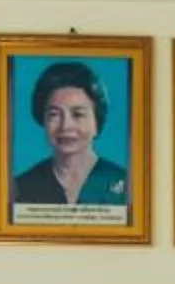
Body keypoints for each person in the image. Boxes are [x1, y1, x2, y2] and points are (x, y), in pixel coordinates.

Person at [11, 61, 131, 211]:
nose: (66, 126)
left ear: (97, 121)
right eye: (54, 115)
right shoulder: (21, 186)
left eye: (78, 114)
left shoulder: (125, 183)